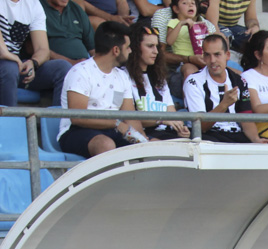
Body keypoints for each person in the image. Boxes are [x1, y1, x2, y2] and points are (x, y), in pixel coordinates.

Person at [58, 21, 143, 157]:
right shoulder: (81, 72)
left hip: (112, 130)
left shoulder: (122, 76)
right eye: (127, 47)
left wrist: (144, 141)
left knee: (146, 148)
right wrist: (116, 123)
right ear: (116, 50)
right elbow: (78, 118)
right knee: (106, 144)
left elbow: (130, 117)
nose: (130, 51)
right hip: (76, 132)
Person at [184, 33, 264, 143]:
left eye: (217, 54)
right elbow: (201, 126)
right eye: (207, 55)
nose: (212, 60)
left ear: (227, 55)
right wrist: (224, 104)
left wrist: (256, 139)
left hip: (235, 134)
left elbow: (246, 120)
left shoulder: (239, 80)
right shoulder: (193, 82)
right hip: (208, 136)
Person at [1, 0, 70, 105]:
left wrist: (33, 62)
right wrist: (8, 55)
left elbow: (43, 49)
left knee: (62, 68)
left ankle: (57, 120)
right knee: (10, 68)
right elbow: (3, 53)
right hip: (7, 67)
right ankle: (10, 120)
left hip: (16, 67)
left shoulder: (33, 4)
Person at [126, 25, 188, 139]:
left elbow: (171, 112)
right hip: (142, 135)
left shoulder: (159, 77)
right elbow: (129, 119)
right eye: (150, 46)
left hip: (165, 133)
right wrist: (162, 120)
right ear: (135, 48)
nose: (156, 51)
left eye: (157, 47)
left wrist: (180, 128)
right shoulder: (123, 76)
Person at [164, 0, 219, 79]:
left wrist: (207, 34)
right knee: (190, 71)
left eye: (193, 3)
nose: (190, 5)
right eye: (185, 3)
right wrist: (181, 24)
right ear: (176, 9)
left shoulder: (201, 25)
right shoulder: (174, 22)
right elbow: (169, 41)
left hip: (202, 59)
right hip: (185, 62)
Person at [41, 0, 95, 65]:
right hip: (54, 65)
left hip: (82, 66)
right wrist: (70, 62)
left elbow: (93, 48)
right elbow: (32, 47)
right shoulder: (37, 7)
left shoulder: (75, 8)